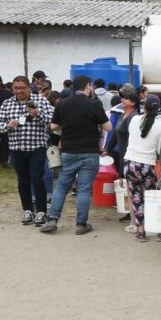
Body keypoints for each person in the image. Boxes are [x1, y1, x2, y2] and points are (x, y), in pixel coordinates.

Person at [40, 75, 111, 235]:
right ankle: (81, 224)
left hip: (69, 151)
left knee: (61, 186)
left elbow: (54, 126)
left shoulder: (63, 104)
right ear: (88, 86)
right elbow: (108, 127)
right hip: (89, 152)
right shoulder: (94, 104)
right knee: (84, 189)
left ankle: (52, 220)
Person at [0, 76, 54, 226]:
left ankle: (41, 211)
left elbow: (52, 121)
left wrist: (37, 114)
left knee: (37, 178)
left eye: (21, 88)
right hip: (16, 148)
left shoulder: (40, 100)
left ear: (29, 88)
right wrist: (7, 125)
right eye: (16, 88)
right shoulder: (7, 103)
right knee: (22, 180)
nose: (18, 91)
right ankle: (27, 210)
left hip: (37, 147)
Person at [124, 94, 161, 243]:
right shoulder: (160, 126)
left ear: (144, 107)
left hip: (129, 163)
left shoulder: (134, 119)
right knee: (153, 198)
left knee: (136, 197)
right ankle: (160, 231)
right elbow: (160, 149)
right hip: (146, 165)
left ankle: (141, 232)